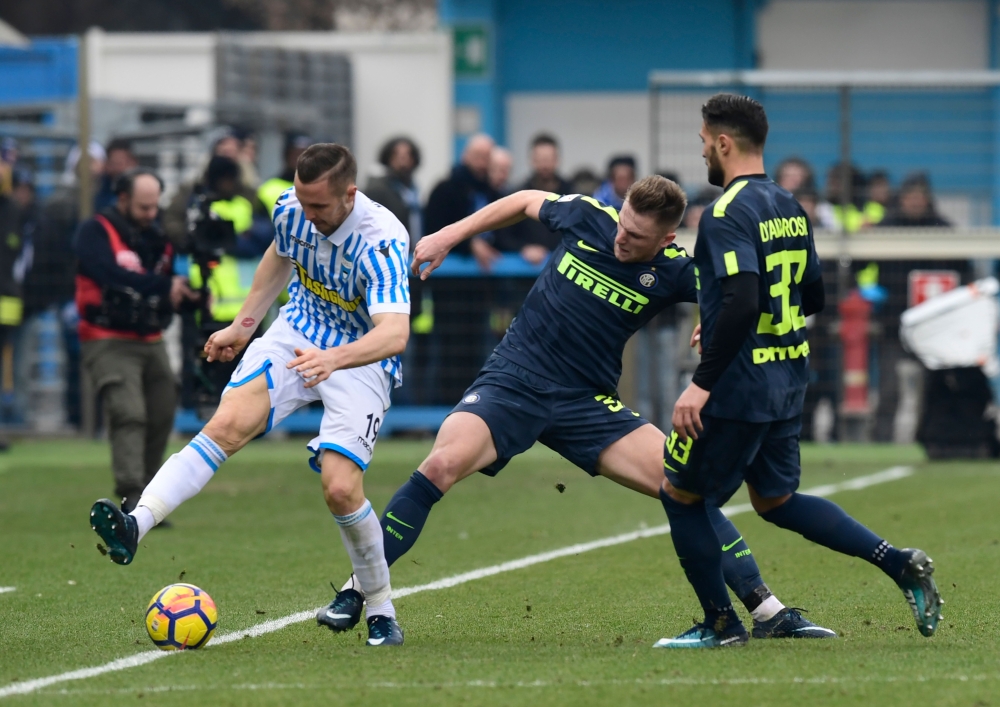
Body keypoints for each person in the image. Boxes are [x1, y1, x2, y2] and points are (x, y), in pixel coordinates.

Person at [329, 175, 836, 640]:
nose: (622, 239)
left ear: (665, 240)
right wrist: (449, 235)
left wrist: (716, 321)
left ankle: (767, 611)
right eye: (624, 225)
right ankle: (359, 590)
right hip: (514, 382)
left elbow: (738, 298)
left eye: (637, 238)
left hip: (586, 401)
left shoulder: (678, 270)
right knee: (439, 464)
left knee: (683, 487)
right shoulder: (590, 216)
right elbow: (524, 201)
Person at [88, 143, 412, 647]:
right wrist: (244, 324)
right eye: (302, 203)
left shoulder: (384, 239)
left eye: (319, 207)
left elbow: (393, 334)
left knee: (341, 488)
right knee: (225, 427)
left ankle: (381, 610)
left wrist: (334, 359)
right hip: (297, 332)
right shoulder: (291, 207)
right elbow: (279, 254)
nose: (306, 215)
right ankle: (136, 524)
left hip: (360, 356)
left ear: (350, 195)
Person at [654, 93, 942, 648]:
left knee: (682, 495)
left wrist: (702, 381)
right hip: (787, 378)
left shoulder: (724, 213)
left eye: (703, 143)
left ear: (722, 142)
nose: (703, 156)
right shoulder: (789, 204)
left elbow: (740, 299)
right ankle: (897, 562)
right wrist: (719, 322)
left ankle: (721, 624)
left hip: (738, 388)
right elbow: (811, 296)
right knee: (776, 501)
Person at [76, 170, 194, 511]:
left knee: (161, 411)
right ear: (123, 199)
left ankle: (152, 499)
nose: (150, 214)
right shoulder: (95, 231)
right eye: (143, 207)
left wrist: (187, 297)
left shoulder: (157, 238)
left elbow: (167, 284)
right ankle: (132, 495)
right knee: (129, 412)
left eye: (154, 207)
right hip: (106, 338)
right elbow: (108, 274)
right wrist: (161, 287)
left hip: (150, 338)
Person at [501, 133, 573, 262]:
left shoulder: (572, 196)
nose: (544, 165)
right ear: (532, 160)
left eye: (548, 159)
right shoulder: (518, 196)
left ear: (557, 159)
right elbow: (504, 236)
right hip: (524, 273)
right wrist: (523, 248)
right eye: (540, 159)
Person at [364, 136, 422, 241]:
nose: (403, 160)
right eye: (397, 155)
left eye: (407, 155)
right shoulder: (378, 190)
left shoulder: (412, 191)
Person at [258, 133, 311, 217]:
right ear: (286, 155)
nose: (300, 158)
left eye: (305, 154)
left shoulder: (318, 189)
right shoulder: (269, 189)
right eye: (296, 153)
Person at [879, 173, 950, 227]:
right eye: (911, 198)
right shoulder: (887, 226)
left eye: (919, 198)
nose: (915, 203)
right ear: (901, 200)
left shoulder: (940, 227)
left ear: (927, 200)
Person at [93, 139, 138, 213]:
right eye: (114, 163)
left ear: (133, 162)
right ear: (106, 164)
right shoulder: (97, 190)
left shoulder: (144, 188)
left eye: (122, 163)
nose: (119, 168)